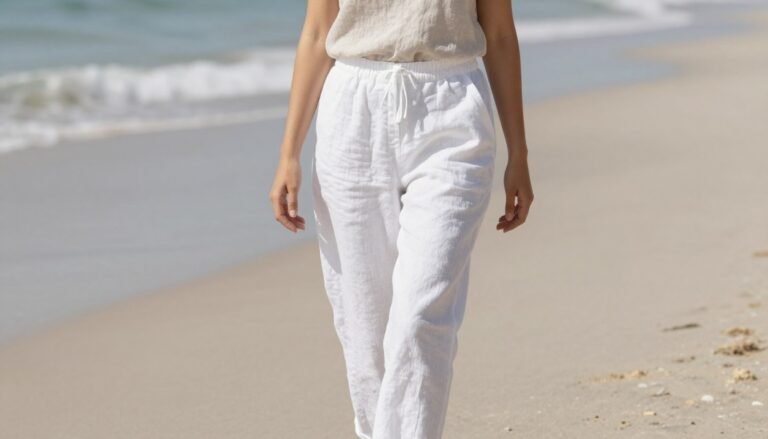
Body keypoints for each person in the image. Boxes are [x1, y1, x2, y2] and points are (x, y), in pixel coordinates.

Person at [269, 0, 533, 437]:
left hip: (451, 111)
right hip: (352, 115)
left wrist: (518, 152)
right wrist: (288, 154)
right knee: (365, 327)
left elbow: (501, 35)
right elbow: (318, 33)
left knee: (420, 315)